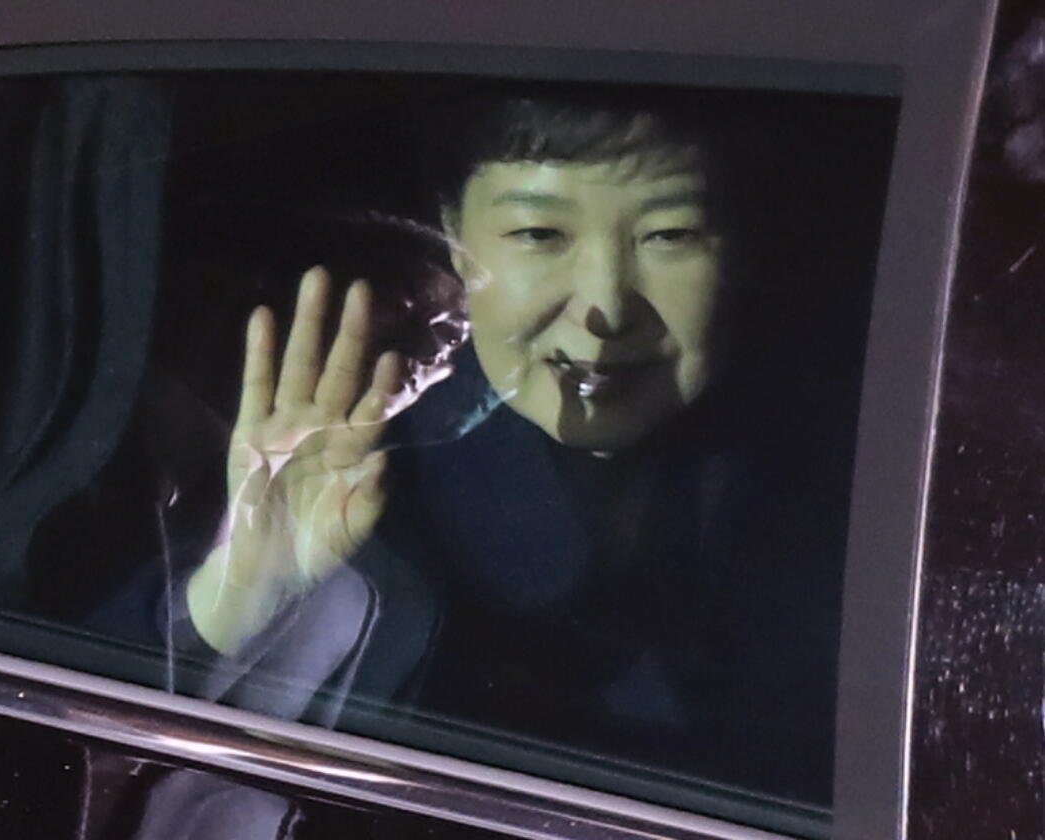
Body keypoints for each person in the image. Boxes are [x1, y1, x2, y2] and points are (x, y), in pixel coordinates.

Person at [132, 94, 844, 803]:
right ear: (453, 234)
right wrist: (235, 599)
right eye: (539, 233)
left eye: (670, 235)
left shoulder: (849, 477)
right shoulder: (357, 477)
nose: (607, 309)